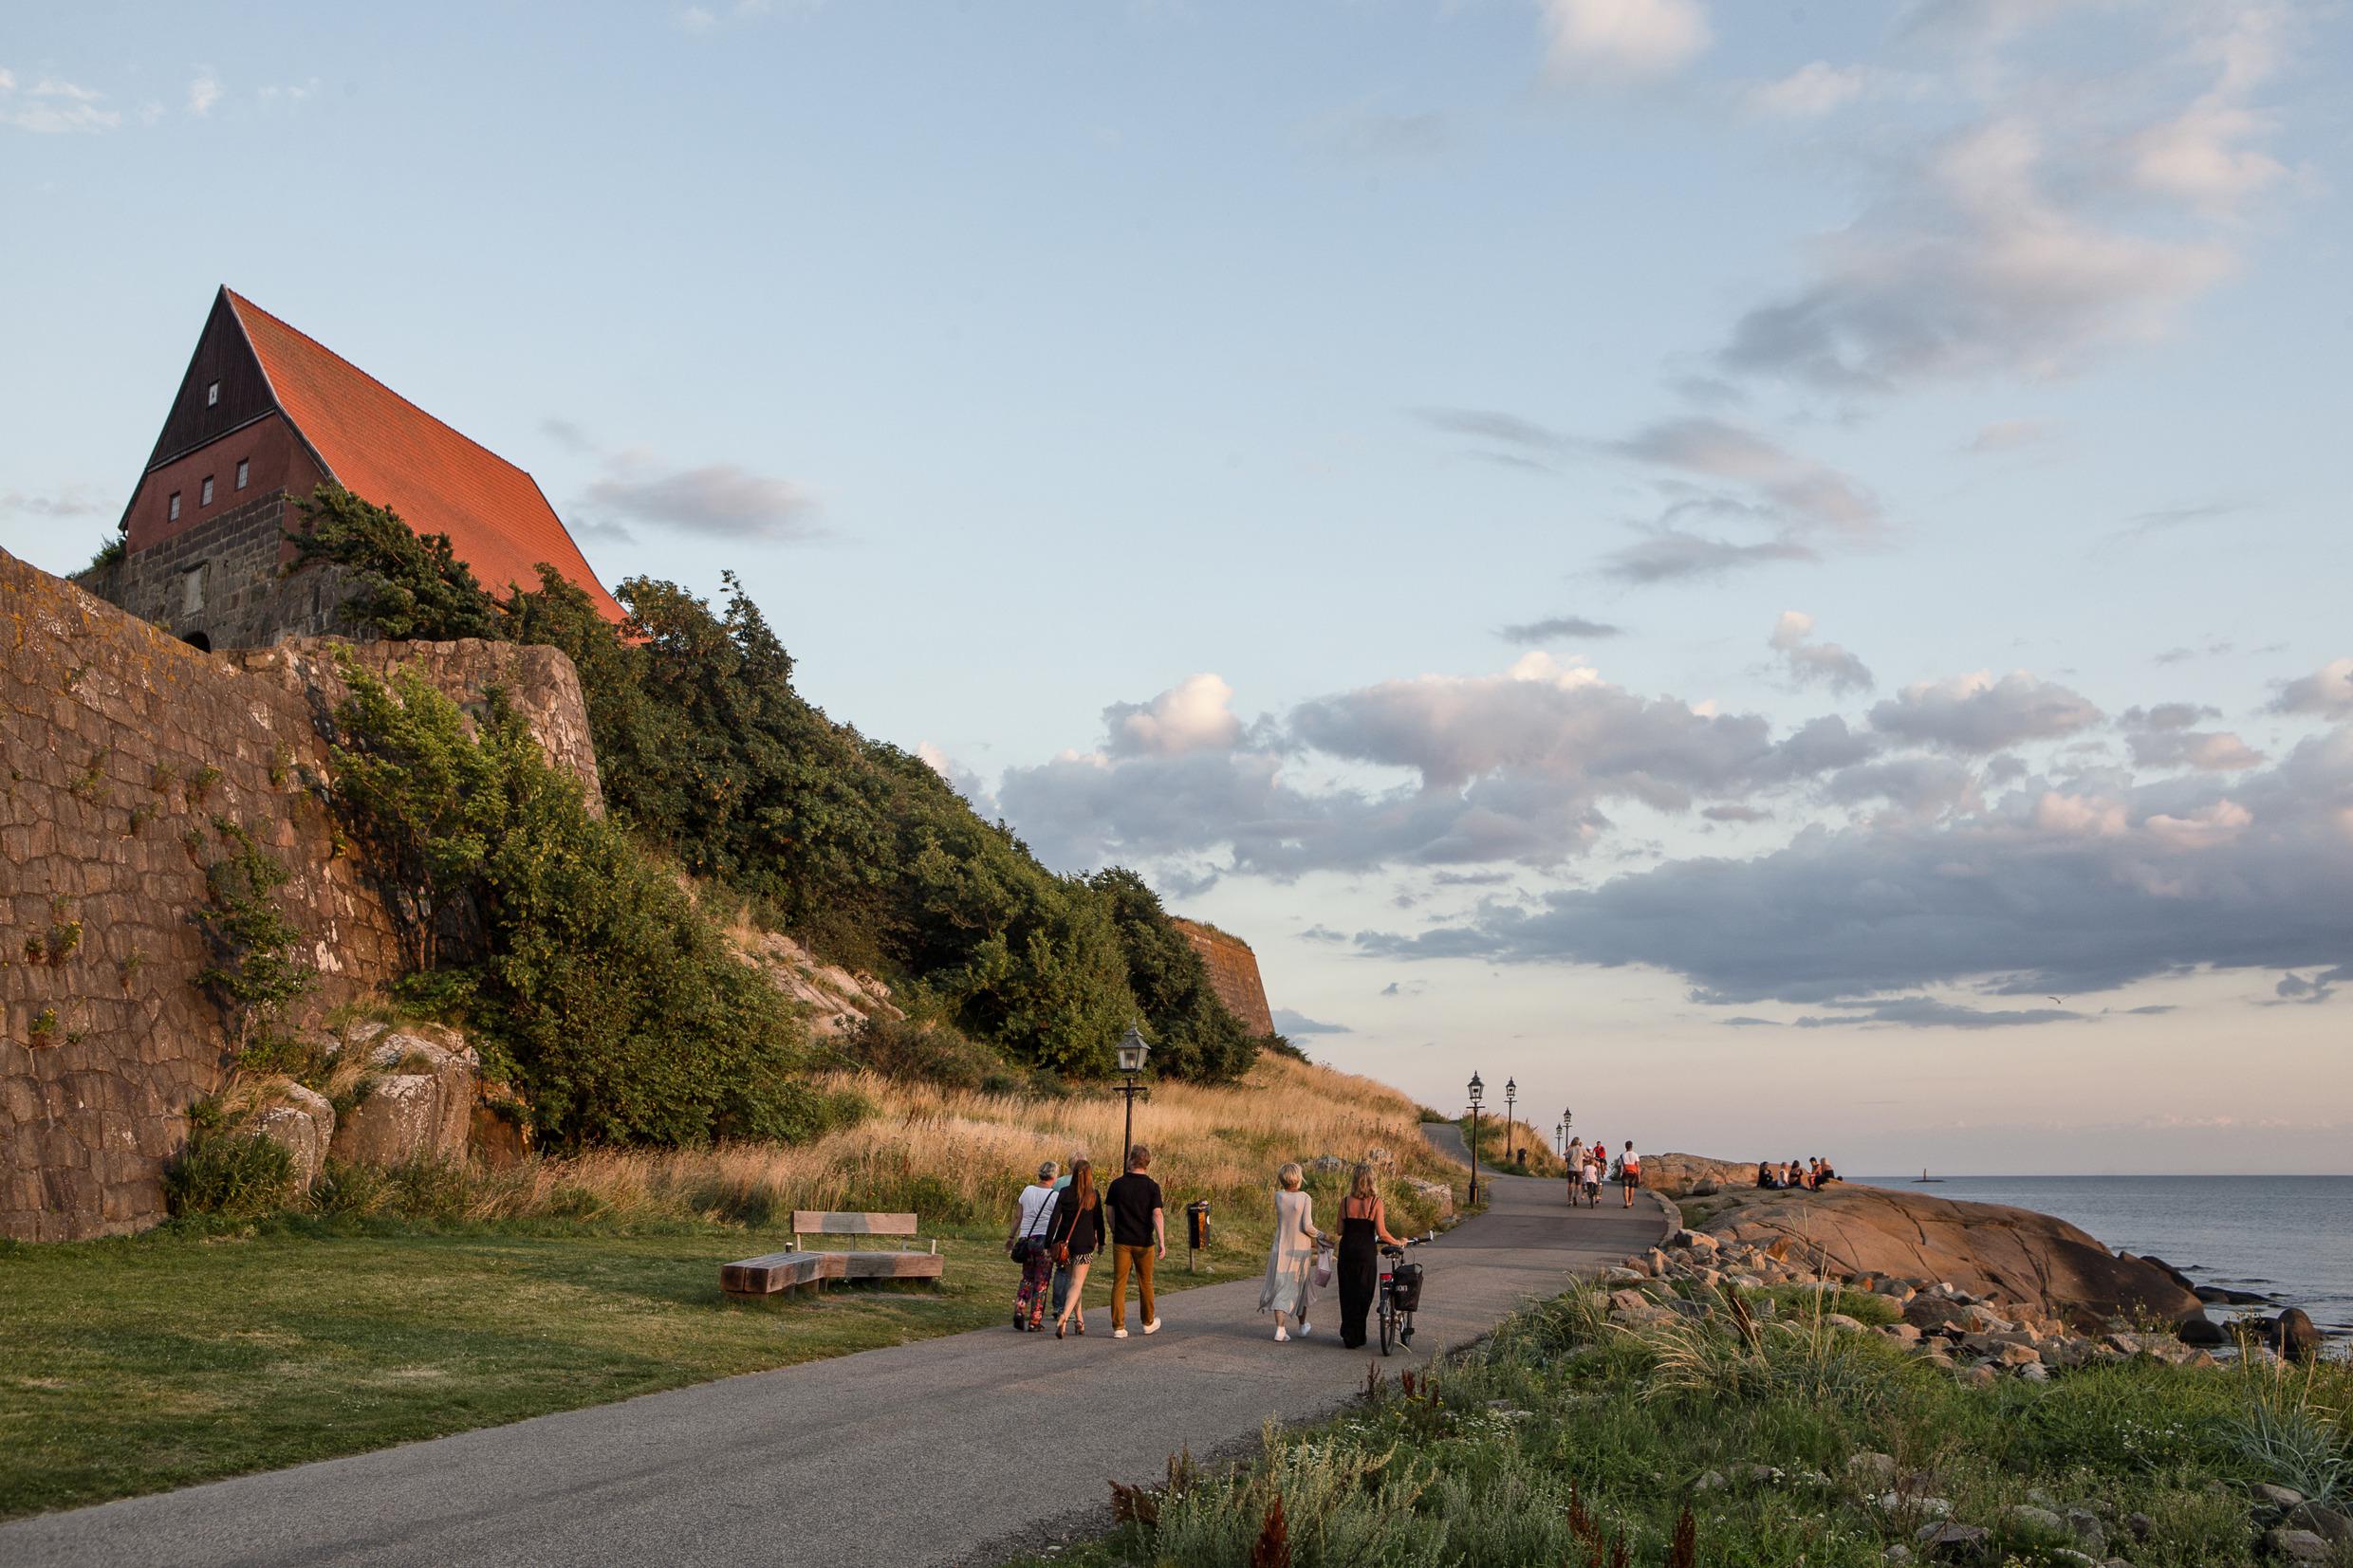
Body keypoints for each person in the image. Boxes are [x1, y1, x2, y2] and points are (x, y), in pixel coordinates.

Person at [1335, 1161, 1409, 1350]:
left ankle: (1349, 1333)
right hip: (1365, 1252)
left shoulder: (1344, 1202)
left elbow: (1339, 1230)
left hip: (1347, 1251)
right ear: (1372, 1181)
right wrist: (1398, 1242)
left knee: (1347, 1293)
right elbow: (1382, 1233)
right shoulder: (1376, 1202)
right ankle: (1358, 1334)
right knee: (1364, 1293)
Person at [1103, 1144, 1166, 1339]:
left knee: (1119, 1282)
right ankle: (1148, 1321)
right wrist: (1162, 1241)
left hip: (1122, 1239)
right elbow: (1157, 1214)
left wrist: (1114, 1229)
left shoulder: (1117, 1184)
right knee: (1145, 1281)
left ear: (1131, 1160)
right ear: (1147, 1163)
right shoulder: (1152, 1187)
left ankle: (1118, 1326)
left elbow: (1109, 1211)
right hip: (1144, 1241)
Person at [1259, 1162, 1325, 1342]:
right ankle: (1302, 1325)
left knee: (1280, 1285)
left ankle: (1280, 1328)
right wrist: (1321, 1235)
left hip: (1280, 1246)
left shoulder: (1278, 1196)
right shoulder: (1305, 1198)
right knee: (1300, 1284)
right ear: (1298, 1178)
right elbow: (1307, 1226)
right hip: (1299, 1248)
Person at [1049, 1158, 1106, 1339]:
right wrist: (1102, 1242)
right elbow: (1099, 1222)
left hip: (1065, 1245)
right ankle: (1064, 1317)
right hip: (1084, 1244)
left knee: (1073, 1282)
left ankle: (1079, 1320)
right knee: (1077, 1283)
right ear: (1090, 1176)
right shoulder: (1093, 1195)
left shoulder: (1065, 1193)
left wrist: (1047, 1244)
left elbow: (1054, 1219)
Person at [1008, 1159, 1061, 1332]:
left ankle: (1020, 1307)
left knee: (1027, 1277)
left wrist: (1011, 1236)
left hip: (1026, 1240)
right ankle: (1035, 1320)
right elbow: (1057, 1221)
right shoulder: (1055, 1196)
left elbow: (1018, 1216)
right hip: (1044, 1241)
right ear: (1054, 1176)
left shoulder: (1027, 1190)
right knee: (1042, 1281)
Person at [1564, 1137, 1585, 1206]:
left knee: (1570, 1184)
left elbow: (1566, 1159)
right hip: (1579, 1169)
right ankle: (1575, 1196)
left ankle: (1570, 1200)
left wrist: (1569, 1147)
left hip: (1571, 1168)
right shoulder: (1582, 1149)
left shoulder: (1570, 1149)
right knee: (1578, 1185)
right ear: (1579, 1142)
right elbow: (1588, 1156)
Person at [1620, 1140, 1641, 1208]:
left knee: (1626, 1188)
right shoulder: (1635, 1154)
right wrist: (1639, 1176)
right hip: (1633, 1173)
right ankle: (1630, 1202)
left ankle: (1626, 1203)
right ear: (1632, 1146)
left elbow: (1620, 1165)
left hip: (1626, 1173)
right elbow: (1637, 1166)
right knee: (1632, 1188)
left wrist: (1620, 1173)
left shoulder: (1622, 1155)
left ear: (1625, 1146)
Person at [1583, 1142, 1603, 1208]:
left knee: (1585, 1185)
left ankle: (1584, 1194)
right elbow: (1596, 1174)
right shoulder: (1594, 1166)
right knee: (1599, 1184)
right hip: (1593, 1180)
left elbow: (1583, 1173)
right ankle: (1597, 1196)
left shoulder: (1586, 1164)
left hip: (1587, 1180)